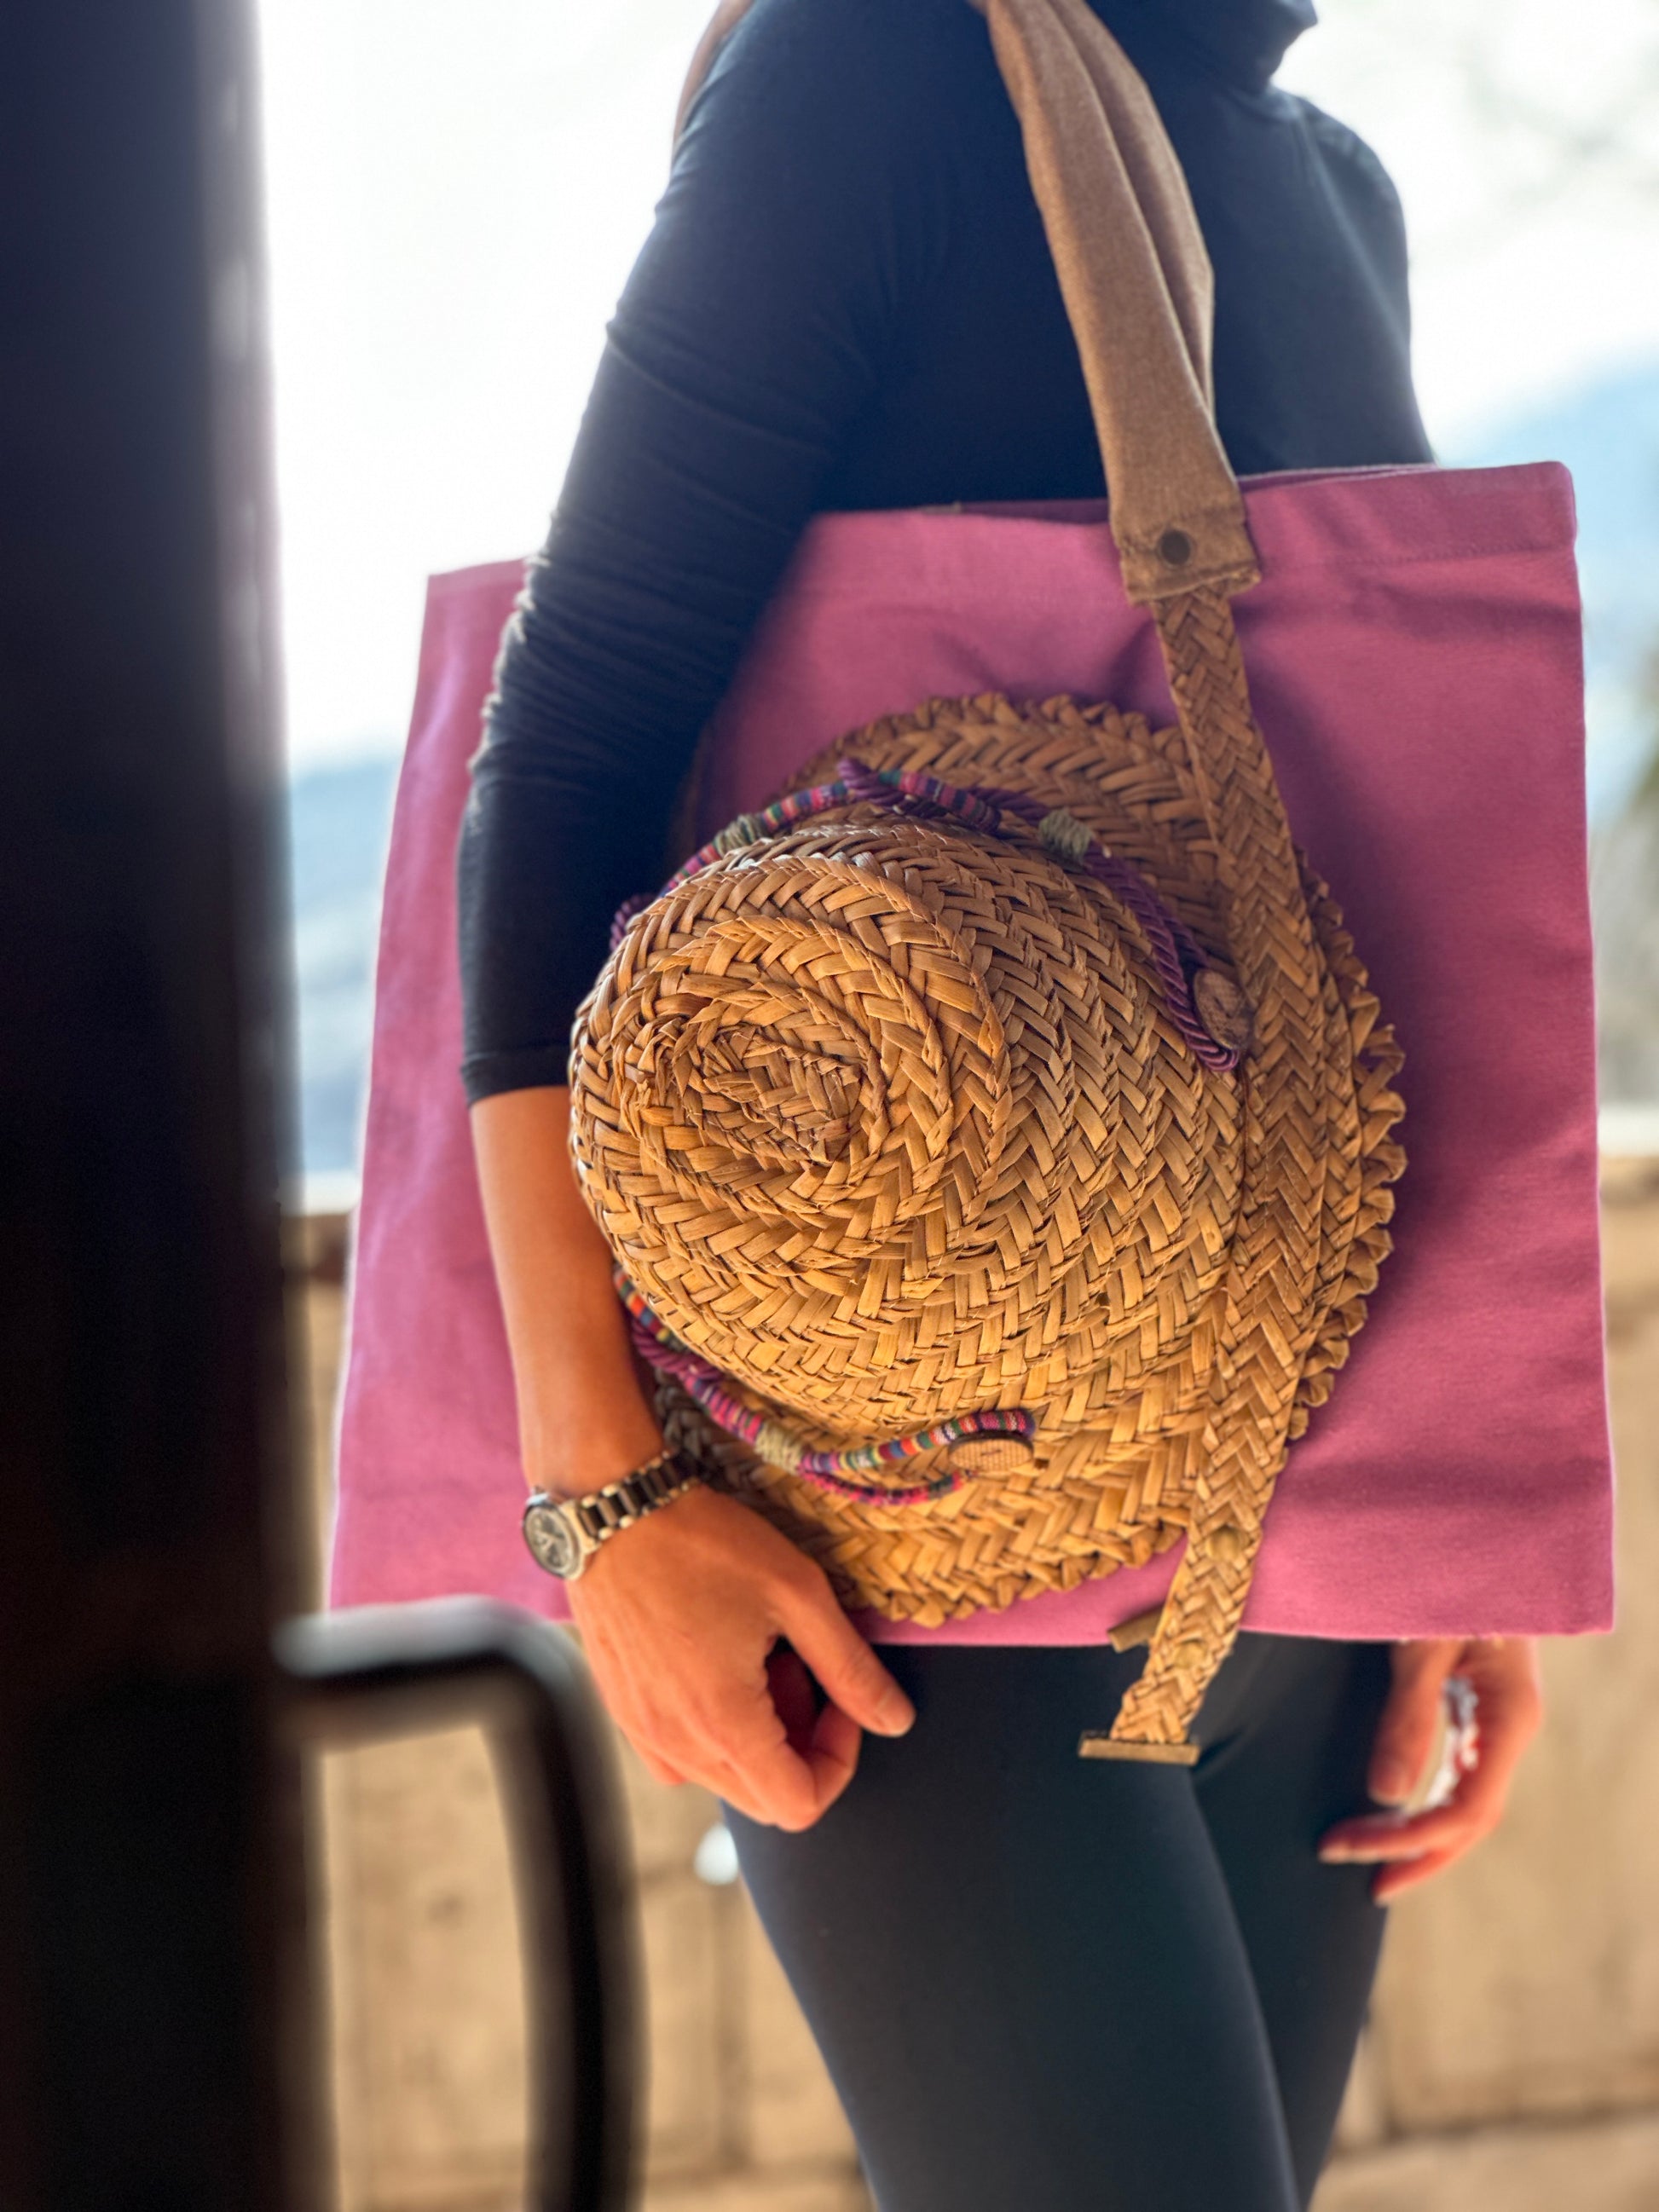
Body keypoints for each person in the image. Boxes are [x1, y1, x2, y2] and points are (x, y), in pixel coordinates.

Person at [459, 2, 1545, 2203]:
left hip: (1304, 1531)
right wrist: (601, 1498)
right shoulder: (878, 66)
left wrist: (1474, 1505)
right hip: (901, 1557)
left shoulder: (1332, 187)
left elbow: (1380, 899)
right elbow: (563, 755)